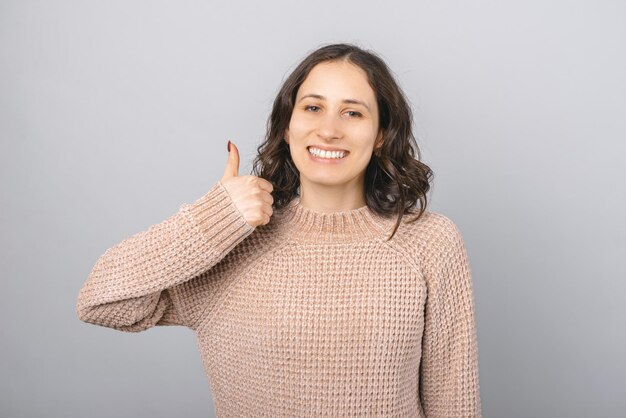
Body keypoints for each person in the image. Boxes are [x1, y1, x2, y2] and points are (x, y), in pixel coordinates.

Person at [76, 42, 482, 417]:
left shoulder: (429, 243)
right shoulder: (232, 244)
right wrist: (215, 217)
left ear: (380, 136)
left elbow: (454, 403)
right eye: (312, 108)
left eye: (353, 112)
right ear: (287, 127)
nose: (329, 129)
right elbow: (100, 301)